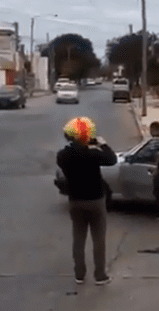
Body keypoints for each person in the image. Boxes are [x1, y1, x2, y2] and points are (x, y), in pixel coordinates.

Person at [57, 117, 118, 285]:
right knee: (98, 239)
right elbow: (112, 159)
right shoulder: (93, 154)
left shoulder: (62, 155)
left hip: (75, 200)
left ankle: (79, 274)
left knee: (78, 238)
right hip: (96, 200)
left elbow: (73, 156)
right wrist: (102, 144)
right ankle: (100, 275)